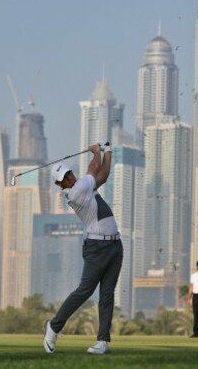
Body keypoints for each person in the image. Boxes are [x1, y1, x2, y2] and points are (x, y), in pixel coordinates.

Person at [43, 142, 123, 355]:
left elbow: (103, 175)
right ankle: (53, 327)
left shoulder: (85, 186)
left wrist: (109, 151)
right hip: (97, 247)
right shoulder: (76, 192)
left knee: (107, 294)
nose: (70, 178)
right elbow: (94, 168)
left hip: (115, 245)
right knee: (84, 291)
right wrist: (97, 151)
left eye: (69, 174)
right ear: (61, 185)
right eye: (65, 179)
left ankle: (102, 342)